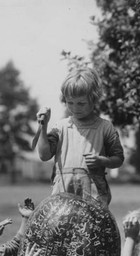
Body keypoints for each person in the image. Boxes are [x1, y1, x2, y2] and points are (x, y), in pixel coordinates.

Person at [36, 67, 124, 207]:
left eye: (81, 103)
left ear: (93, 99)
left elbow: (118, 159)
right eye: (70, 103)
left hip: (93, 196)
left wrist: (102, 160)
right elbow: (44, 155)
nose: (75, 108)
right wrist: (43, 126)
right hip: (62, 195)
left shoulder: (105, 127)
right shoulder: (60, 127)